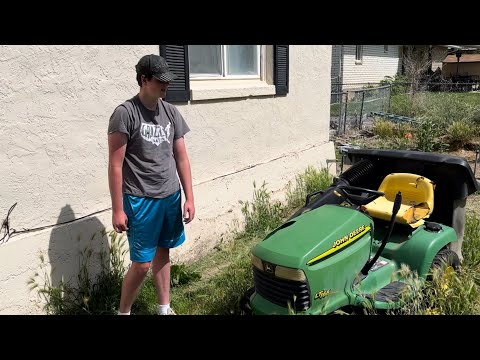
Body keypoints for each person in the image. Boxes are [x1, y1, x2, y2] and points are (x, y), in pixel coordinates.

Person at [107, 54, 195, 315]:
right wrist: (117, 209)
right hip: (140, 199)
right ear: (144, 79)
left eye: (168, 81)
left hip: (170, 196)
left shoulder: (171, 112)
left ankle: (164, 308)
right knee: (142, 264)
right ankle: (123, 312)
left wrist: (189, 197)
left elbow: (181, 157)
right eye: (160, 80)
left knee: (163, 253)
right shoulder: (125, 114)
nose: (166, 86)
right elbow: (115, 165)